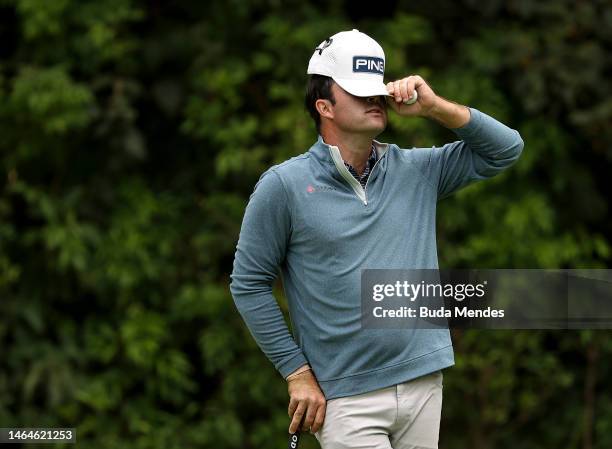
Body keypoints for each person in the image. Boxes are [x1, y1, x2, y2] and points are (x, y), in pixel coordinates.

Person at [230, 29, 523, 449]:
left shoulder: (417, 169)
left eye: (377, 90)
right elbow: (248, 283)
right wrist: (296, 372)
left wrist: (435, 107)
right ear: (324, 106)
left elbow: (506, 150)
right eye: (359, 92)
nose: (375, 99)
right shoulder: (284, 186)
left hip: (423, 382)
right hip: (345, 397)